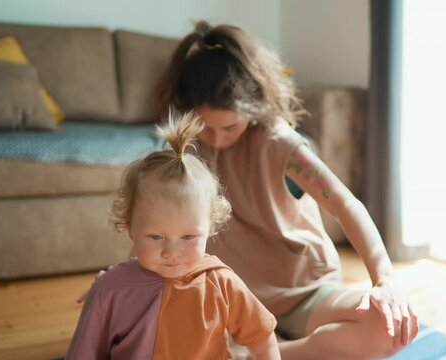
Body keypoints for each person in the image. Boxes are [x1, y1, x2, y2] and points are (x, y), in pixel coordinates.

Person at [152, 21, 420, 360]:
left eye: (230, 127)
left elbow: (345, 204)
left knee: (391, 329)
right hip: (237, 300)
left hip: (307, 292)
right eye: (207, 126)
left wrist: (385, 281)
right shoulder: (188, 146)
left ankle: (269, 353)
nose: (217, 140)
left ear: (254, 108)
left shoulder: (281, 145)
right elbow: (159, 224)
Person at [67, 112, 280, 360]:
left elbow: (261, 336)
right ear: (129, 227)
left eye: (188, 237)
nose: (171, 252)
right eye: (156, 237)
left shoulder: (222, 283)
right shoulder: (109, 290)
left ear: (209, 226)